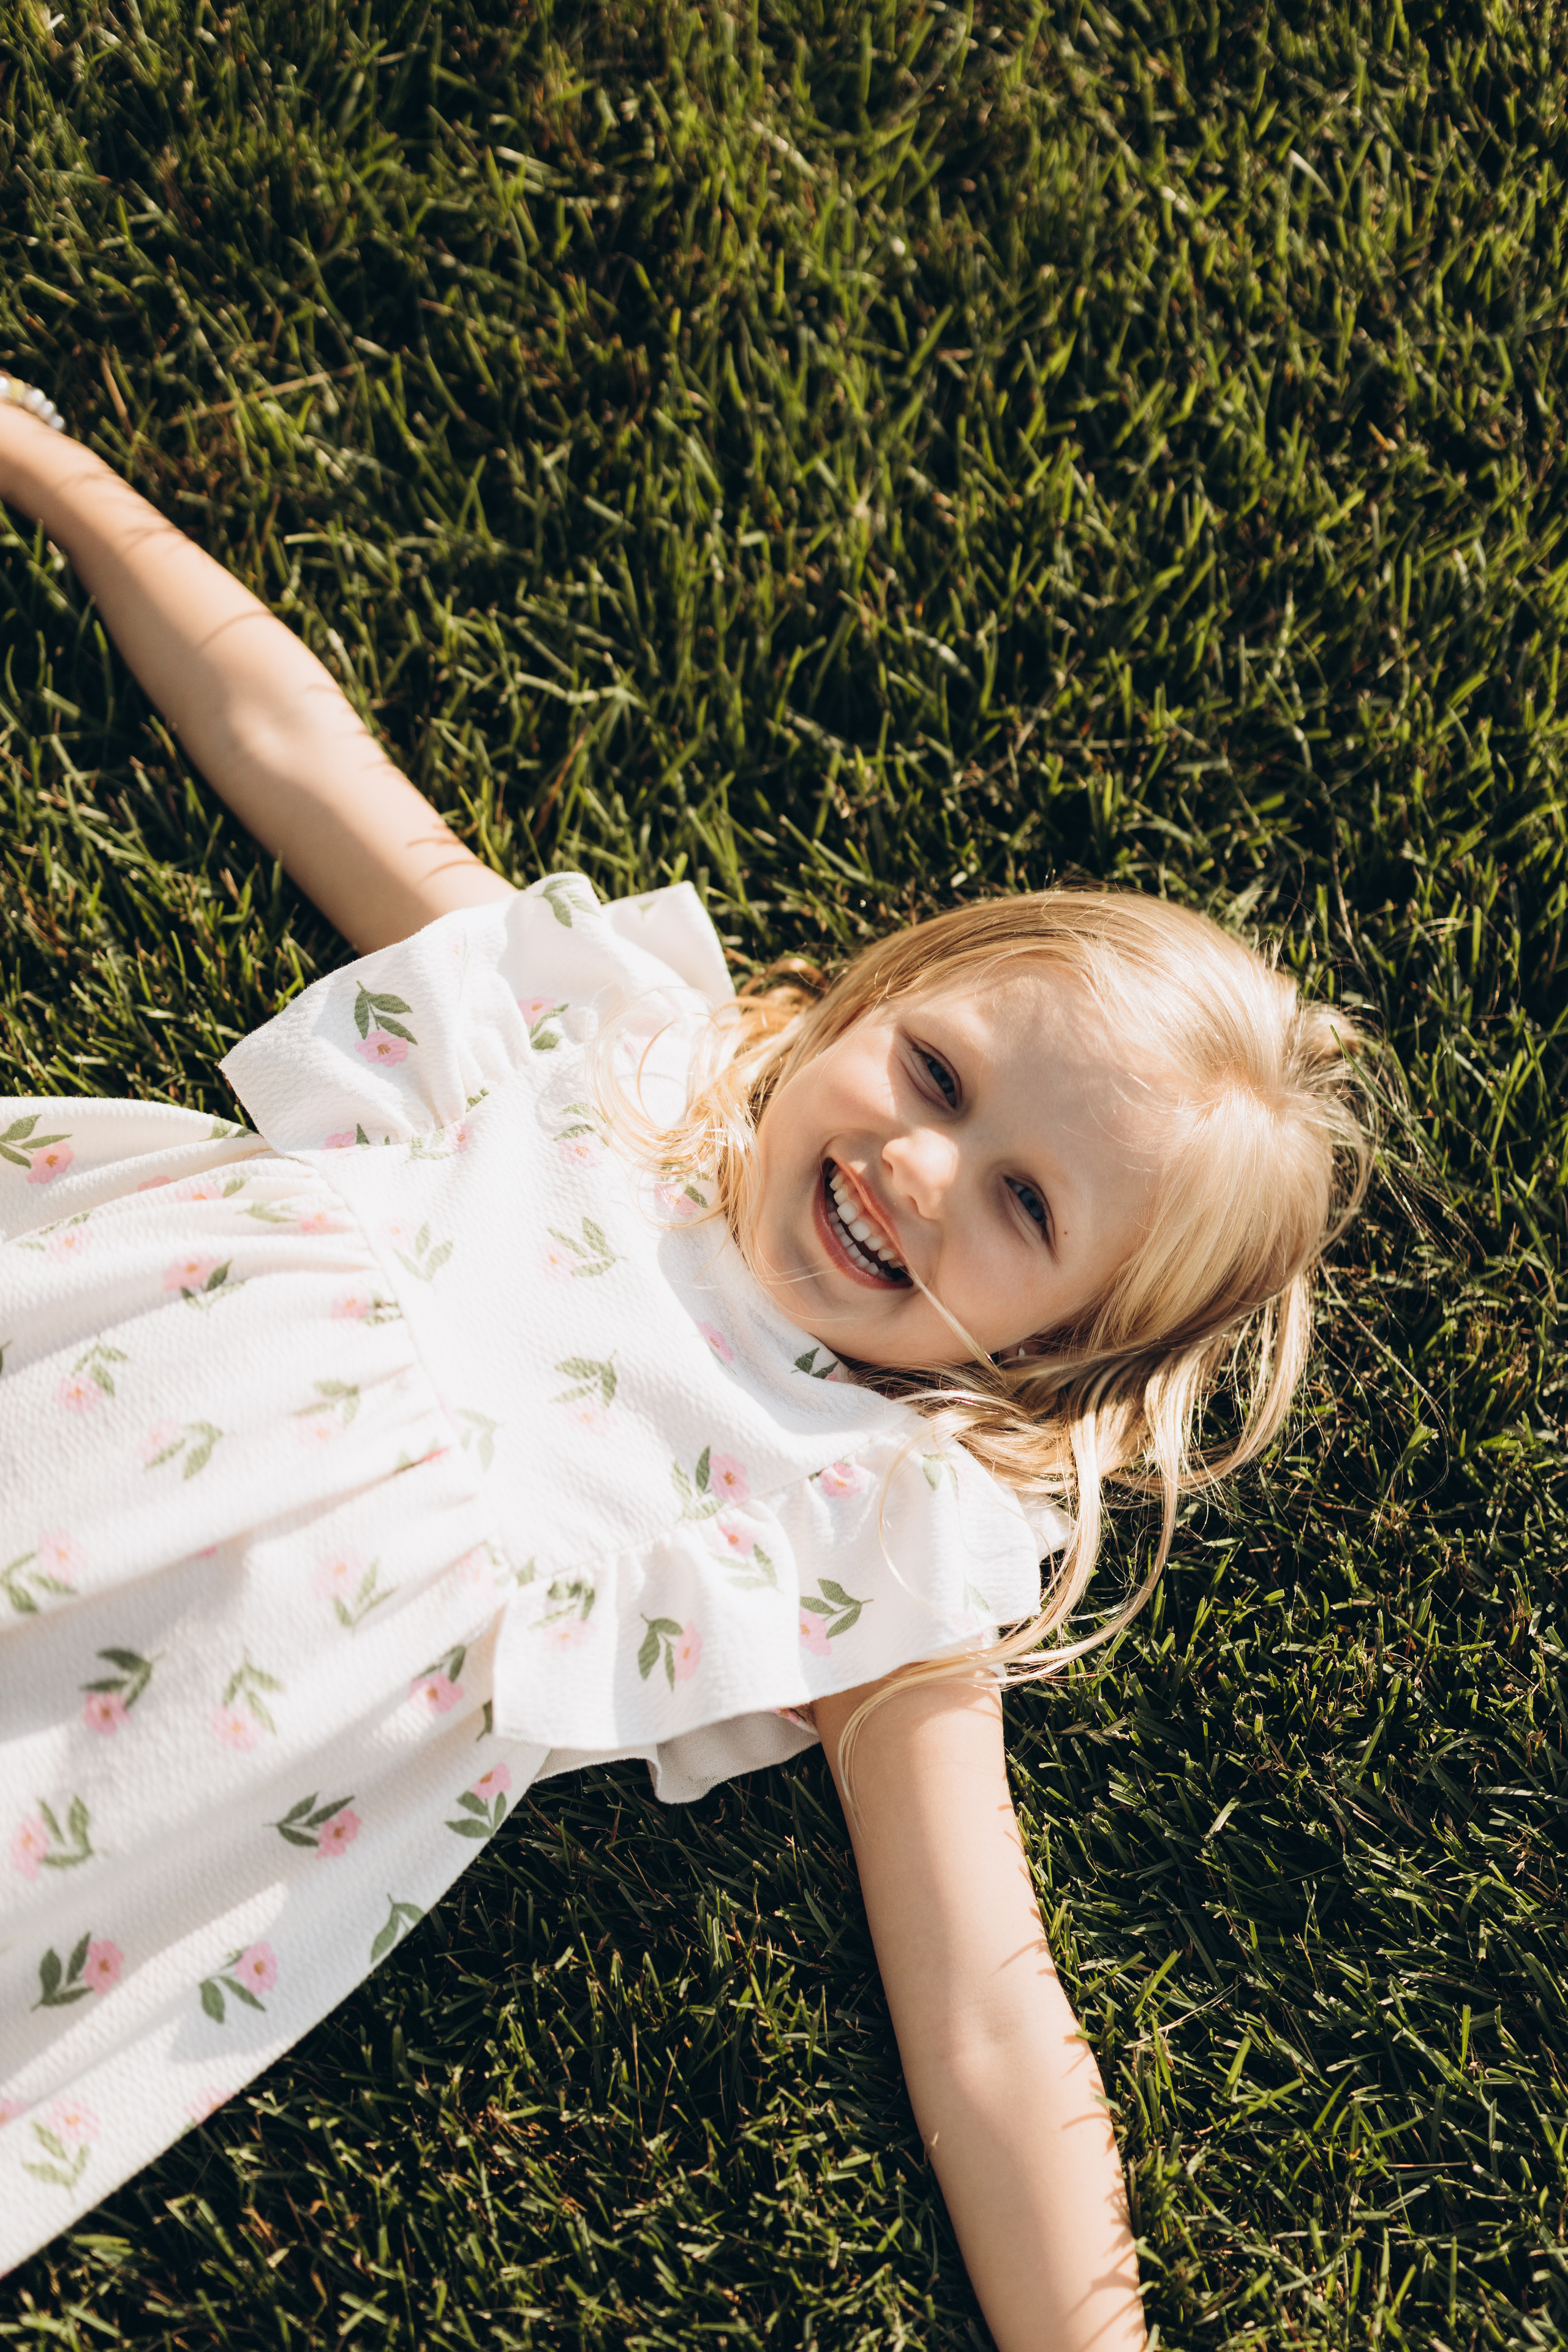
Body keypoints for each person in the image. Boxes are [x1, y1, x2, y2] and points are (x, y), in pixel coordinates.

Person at [0, 381, 1372, 2349]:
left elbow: (988, 2006)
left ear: (1061, 1356)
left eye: (1023, 1210)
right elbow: (303, 758)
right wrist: (52, 466)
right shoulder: (604, 1053)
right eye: (936, 1072)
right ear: (875, 999)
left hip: (155, 1750)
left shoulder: (872, 1530)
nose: (917, 1167)